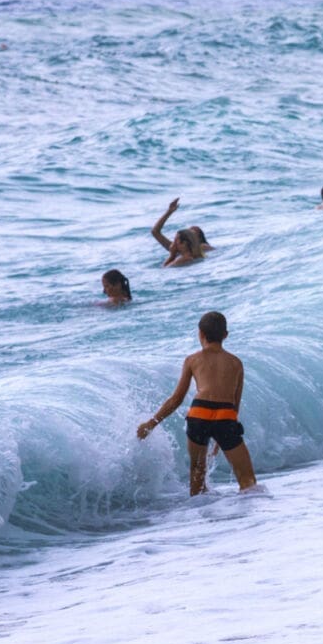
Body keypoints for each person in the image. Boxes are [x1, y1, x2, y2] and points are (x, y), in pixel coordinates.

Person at [137, 311, 259, 495]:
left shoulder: (192, 360)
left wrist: (151, 423)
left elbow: (176, 399)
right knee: (247, 480)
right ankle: (250, 511)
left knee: (197, 473)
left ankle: (199, 511)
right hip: (225, 416)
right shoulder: (236, 363)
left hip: (198, 415)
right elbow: (235, 404)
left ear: (200, 333)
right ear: (225, 335)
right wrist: (223, 436)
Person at [151, 198, 211, 266]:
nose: (173, 243)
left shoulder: (202, 248)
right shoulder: (198, 255)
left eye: (175, 240)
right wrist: (169, 211)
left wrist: (172, 255)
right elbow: (155, 232)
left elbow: (164, 269)